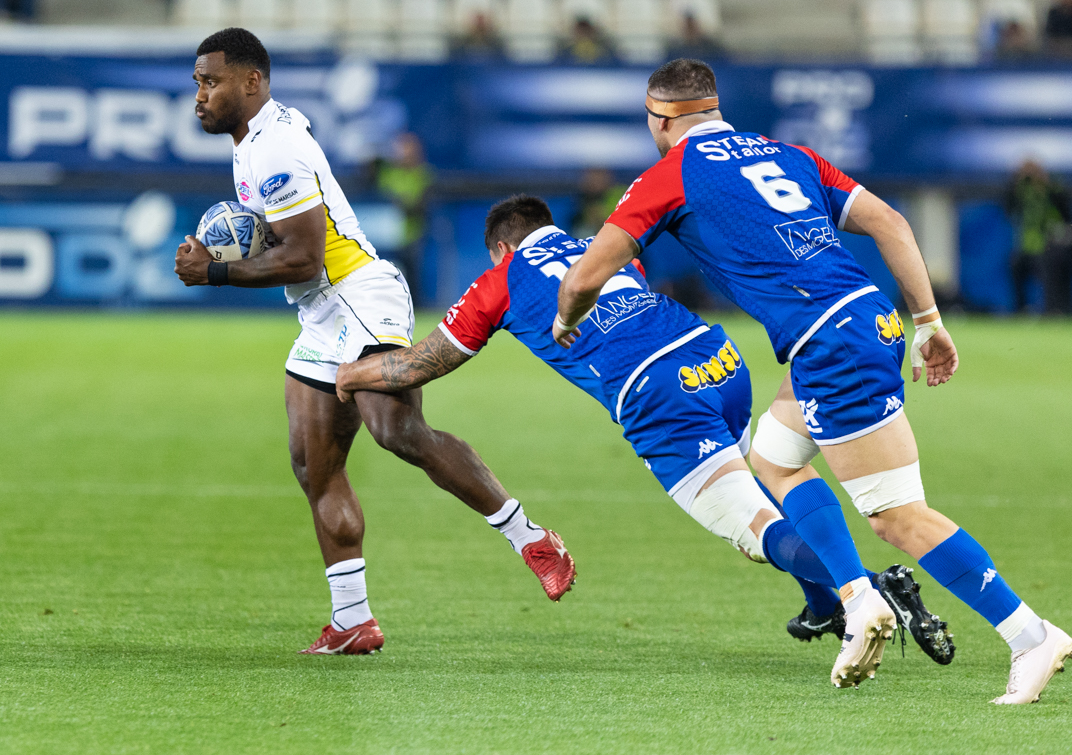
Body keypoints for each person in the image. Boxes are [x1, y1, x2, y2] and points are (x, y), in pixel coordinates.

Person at [554, 59, 1072, 705]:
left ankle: (1030, 635)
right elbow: (891, 222)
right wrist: (928, 320)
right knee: (771, 458)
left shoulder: (669, 176)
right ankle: (859, 600)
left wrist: (563, 320)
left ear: (659, 119)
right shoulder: (791, 154)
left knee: (896, 517)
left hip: (833, 346)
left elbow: (583, 279)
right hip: (861, 321)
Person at [336, 195, 959, 685]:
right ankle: (823, 603)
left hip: (658, 394)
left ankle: (871, 588)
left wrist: (351, 374)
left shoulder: (498, 279)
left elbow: (421, 364)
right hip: (716, 358)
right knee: (769, 487)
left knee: (754, 531)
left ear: (501, 246)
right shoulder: (601, 247)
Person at [173, 28, 576, 655]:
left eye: (211, 80)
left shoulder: (273, 149)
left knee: (398, 431)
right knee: (313, 463)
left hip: (358, 296)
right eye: (197, 81)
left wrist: (215, 270)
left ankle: (531, 538)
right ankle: (352, 620)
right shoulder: (255, 140)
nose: (198, 94)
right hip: (320, 314)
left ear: (251, 81)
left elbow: (305, 259)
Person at [1004, 160, 1072, 315]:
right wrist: (1016, 183)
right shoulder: (1022, 191)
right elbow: (1007, 207)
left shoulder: (1054, 189)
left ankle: (1053, 310)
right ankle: (1020, 309)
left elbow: (1069, 216)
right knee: (1015, 267)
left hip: (1051, 245)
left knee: (1050, 271)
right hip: (1028, 247)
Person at [374, 132, 434, 306]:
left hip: (412, 234)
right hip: (385, 235)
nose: (404, 153)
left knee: (412, 275)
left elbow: (421, 204)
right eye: (401, 148)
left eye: (408, 148)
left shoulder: (423, 174)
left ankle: (414, 308)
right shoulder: (388, 173)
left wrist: (401, 204)